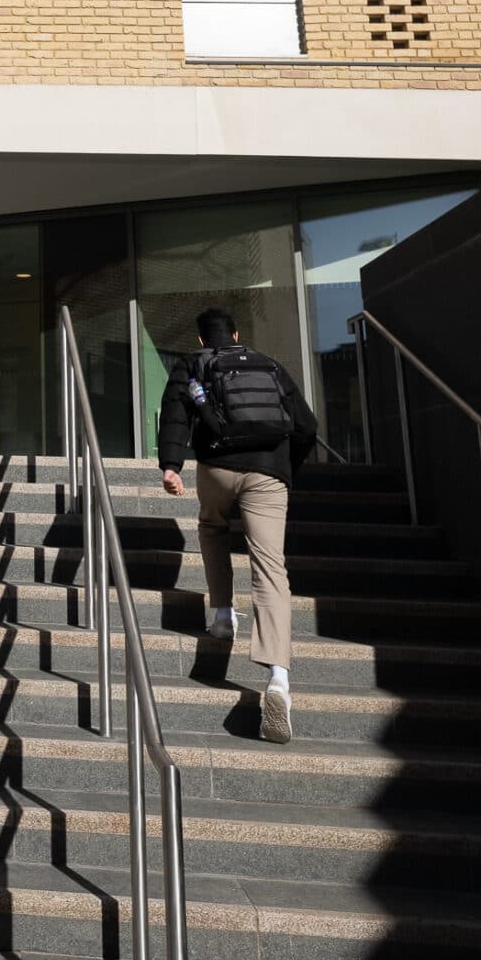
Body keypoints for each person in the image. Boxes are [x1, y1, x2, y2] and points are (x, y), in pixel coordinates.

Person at [157, 306, 318, 743]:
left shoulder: (192, 365)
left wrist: (171, 465)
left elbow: (174, 414)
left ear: (200, 340)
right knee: (270, 567)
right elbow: (306, 425)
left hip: (216, 467)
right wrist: (285, 469)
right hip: (269, 470)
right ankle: (279, 677)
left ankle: (224, 617)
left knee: (212, 528)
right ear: (237, 334)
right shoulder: (267, 363)